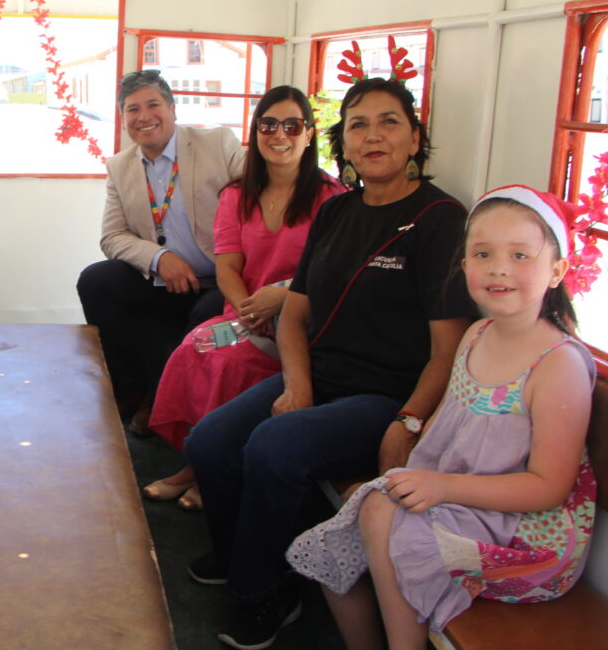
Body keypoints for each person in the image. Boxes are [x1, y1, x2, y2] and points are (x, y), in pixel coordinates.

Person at [182, 75, 479, 650]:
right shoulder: (337, 213)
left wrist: (409, 419)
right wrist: (297, 386)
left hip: (387, 396)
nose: (373, 136)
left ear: (416, 138)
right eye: (358, 125)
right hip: (323, 378)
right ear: (342, 144)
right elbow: (294, 316)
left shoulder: (440, 219)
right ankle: (249, 558)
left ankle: (262, 593)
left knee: (275, 446)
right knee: (209, 442)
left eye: (389, 122)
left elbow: (450, 349)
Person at [288, 185, 596, 650]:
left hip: (525, 537)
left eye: (519, 255)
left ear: (557, 270)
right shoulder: (475, 335)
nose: (499, 267)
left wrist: (442, 487)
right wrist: (414, 472)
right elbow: (444, 429)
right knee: (348, 526)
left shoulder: (557, 364)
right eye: (483, 253)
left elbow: (548, 487)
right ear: (465, 265)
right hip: (462, 497)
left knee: (380, 517)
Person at [142, 86, 345, 510]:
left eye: (292, 125)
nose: (280, 135)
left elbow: (333, 274)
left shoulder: (332, 198)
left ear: (309, 134)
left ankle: (208, 468)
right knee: (193, 347)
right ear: (255, 133)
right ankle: (197, 461)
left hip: (302, 320)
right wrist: (249, 310)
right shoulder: (237, 195)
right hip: (249, 315)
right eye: (268, 125)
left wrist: (282, 298)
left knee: (229, 364)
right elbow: (228, 268)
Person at [77, 69, 246, 429]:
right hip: (164, 279)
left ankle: (172, 406)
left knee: (204, 316)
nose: (144, 116)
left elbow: (258, 203)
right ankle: (131, 390)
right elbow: (112, 236)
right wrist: (159, 258)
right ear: (124, 120)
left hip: (222, 278)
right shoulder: (120, 166)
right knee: (95, 281)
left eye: (153, 104)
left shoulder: (218, 144)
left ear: (172, 109)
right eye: (132, 109)